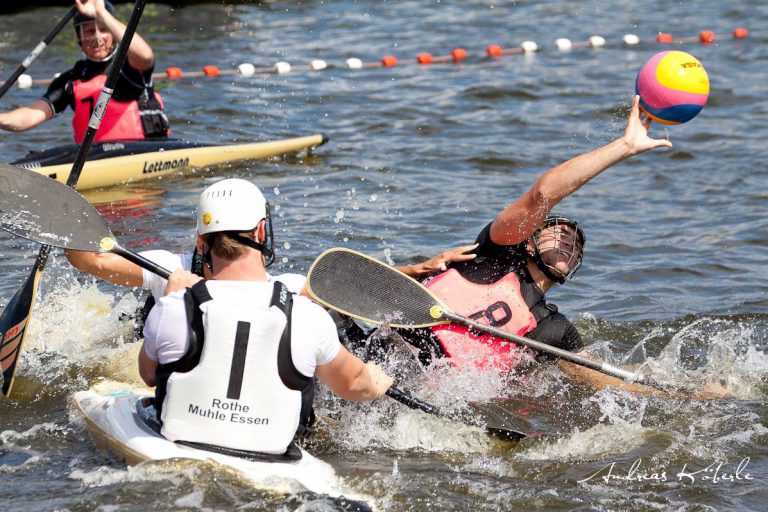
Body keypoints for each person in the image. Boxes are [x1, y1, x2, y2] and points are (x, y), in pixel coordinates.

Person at [353, 96, 673, 380]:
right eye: (558, 231)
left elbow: (605, 378)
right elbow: (542, 195)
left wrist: (689, 394)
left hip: (439, 386)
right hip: (394, 350)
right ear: (529, 240)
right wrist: (625, 146)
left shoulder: (553, 328)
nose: (568, 240)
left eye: (576, 243)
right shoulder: (495, 253)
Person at [138, 178, 393, 456]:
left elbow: (149, 374)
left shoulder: (172, 307)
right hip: (270, 458)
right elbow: (354, 385)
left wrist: (170, 298)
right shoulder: (308, 316)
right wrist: (376, 381)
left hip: (183, 445)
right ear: (261, 232)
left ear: (201, 243)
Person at [0, 0, 169, 143]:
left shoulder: (129, 68)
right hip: (95, 160)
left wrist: (101, 13)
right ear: (78, 37)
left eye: (103, 30)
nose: (97, 37)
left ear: (113, 33)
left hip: (145, 150)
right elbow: (29, 117)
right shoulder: (71, 80)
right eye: (88, 31)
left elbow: (145, 56)